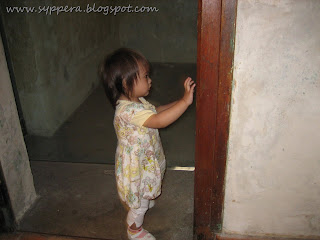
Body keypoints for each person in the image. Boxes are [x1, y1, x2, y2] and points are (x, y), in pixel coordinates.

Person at [99, 48, 195, 240]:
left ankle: (145, 197)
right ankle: (134, 229)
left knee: (147, 187)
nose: (150, 80)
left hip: (145, 159)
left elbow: (156, 112)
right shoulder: (127, 112)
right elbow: (159, 121)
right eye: (145, 76)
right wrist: (184, 102)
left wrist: (179, 102)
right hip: (137, 167)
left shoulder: (137, 102)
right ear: (127, 83)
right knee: (139, 203)